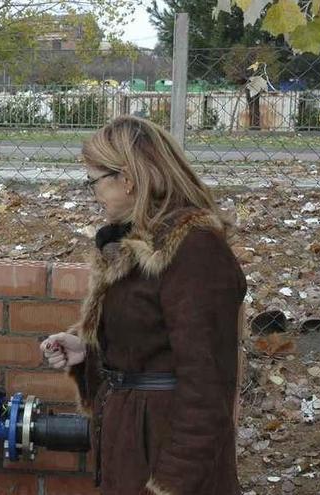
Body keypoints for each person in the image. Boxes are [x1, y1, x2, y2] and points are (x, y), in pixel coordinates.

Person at [41, 116, 247, 495]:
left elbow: (208, 387)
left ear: (129, 178)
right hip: (133, 443)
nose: (93, 192)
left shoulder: (195, 249)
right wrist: (87, 351)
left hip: (166, 451)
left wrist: (170, 484)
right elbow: (149, 339)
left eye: (95, 180)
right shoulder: (136, 243)